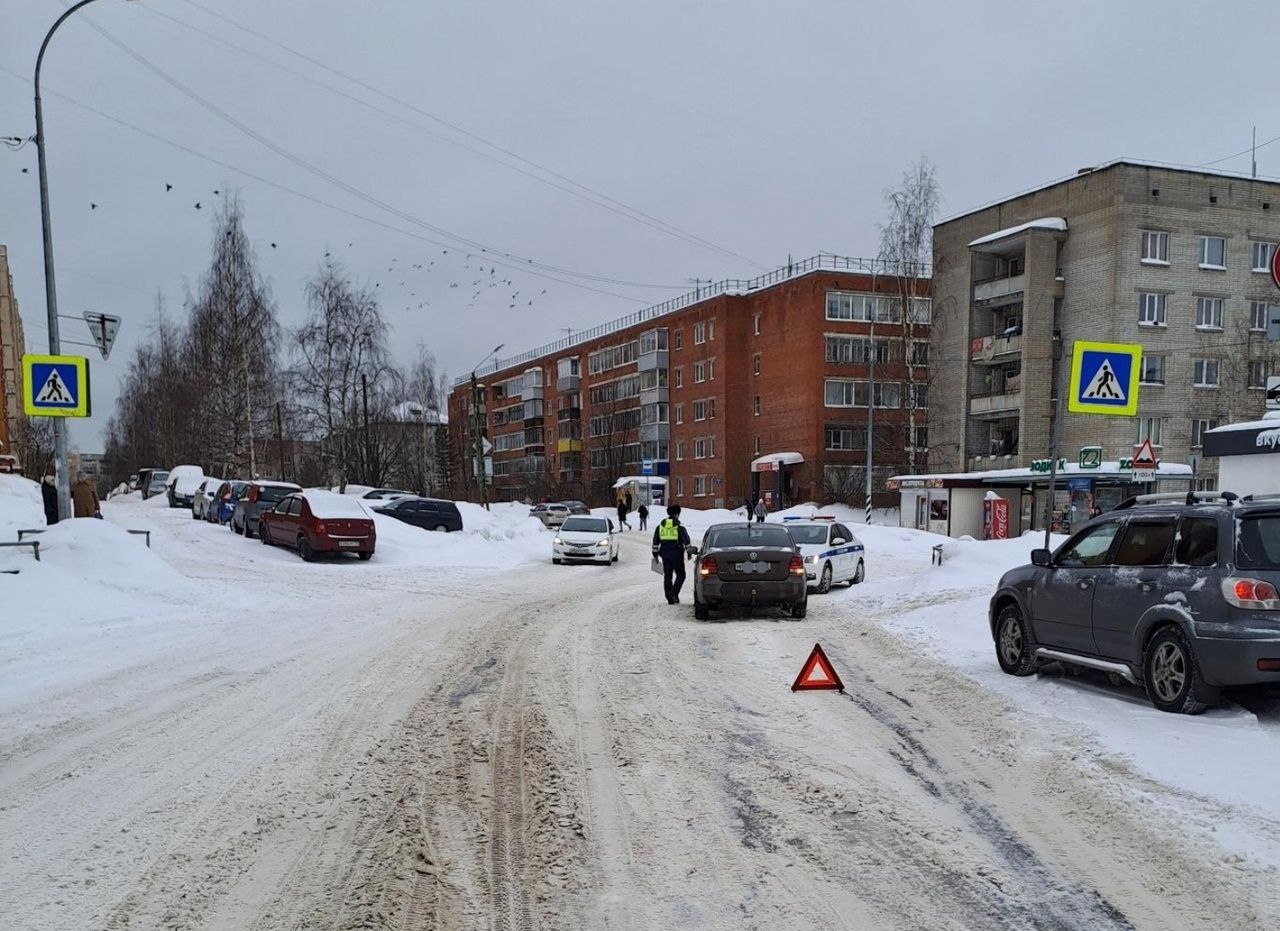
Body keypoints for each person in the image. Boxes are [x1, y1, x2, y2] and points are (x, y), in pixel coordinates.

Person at [652, 504, 693, 604]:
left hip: (665, 555)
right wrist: (689, 552)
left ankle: (669, 596)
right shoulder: (679, 526)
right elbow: (686, 540)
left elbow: (655, 541)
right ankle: (674, 593)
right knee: (681, 575)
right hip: (677, 554)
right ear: (677, 514)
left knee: (668, 576)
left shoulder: (660, 526)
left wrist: (655, 555)